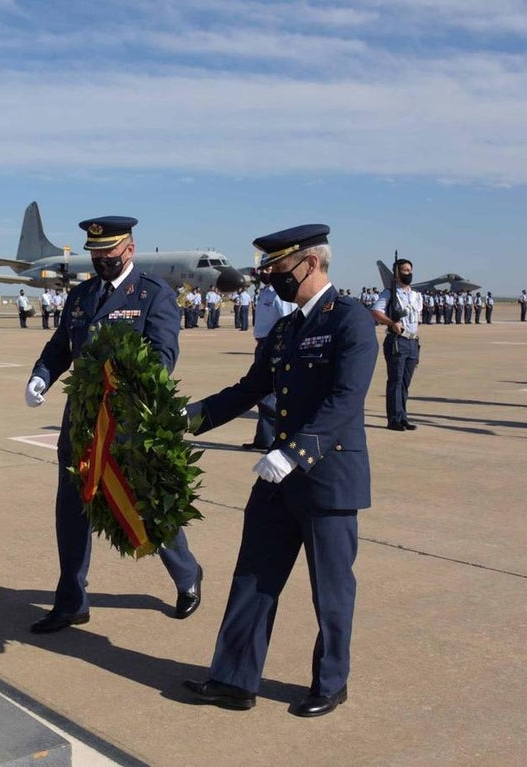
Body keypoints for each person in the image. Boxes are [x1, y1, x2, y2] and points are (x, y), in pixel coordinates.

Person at [181, 224, 377, 718]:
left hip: (326, 478)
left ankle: (331, 683)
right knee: (253, 577)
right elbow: (249, 389)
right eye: (266, 268)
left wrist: (294, 452)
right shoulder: (287, 328)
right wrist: (187, 418)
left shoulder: (349, 320)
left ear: (309, 263)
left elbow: (345, 401)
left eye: (277, 267)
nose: (269, 277)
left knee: (330, 591)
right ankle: (233, 680)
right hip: (277, 480)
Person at [23, 216, 202, 634]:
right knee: (72, 507)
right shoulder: (82, 295)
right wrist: (41, 376)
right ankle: (71, 601)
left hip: (132, 420)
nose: (101, 260)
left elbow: (162, 357)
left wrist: (123, 385)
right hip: (82, 422)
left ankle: (187, 574)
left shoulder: (153, 295)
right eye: (95, 254)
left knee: (148, 507)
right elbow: (59, 346)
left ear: (130, 249)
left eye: (109, 253)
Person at [241, 274, 297, 450]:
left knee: (269, 395)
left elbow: (289, 320)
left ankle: (274, 439)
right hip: (262, 345)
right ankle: (264, 439)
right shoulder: (265, 292)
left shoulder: (281, 294)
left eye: (267, 268)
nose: (262, 272)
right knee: (262, 394)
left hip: (274, 345)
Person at [372, 259, 424, 430]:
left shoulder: (417, 296)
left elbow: (416, 319)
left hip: (412, 342)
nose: (408, 273)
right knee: (395, 380)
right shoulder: (389, 293)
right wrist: (391, 323)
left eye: (409, 270)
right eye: (404, 270)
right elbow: (376, 312)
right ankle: (393, 419)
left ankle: (402, 417)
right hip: (397, 341)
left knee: (405, 382)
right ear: (396, 273)